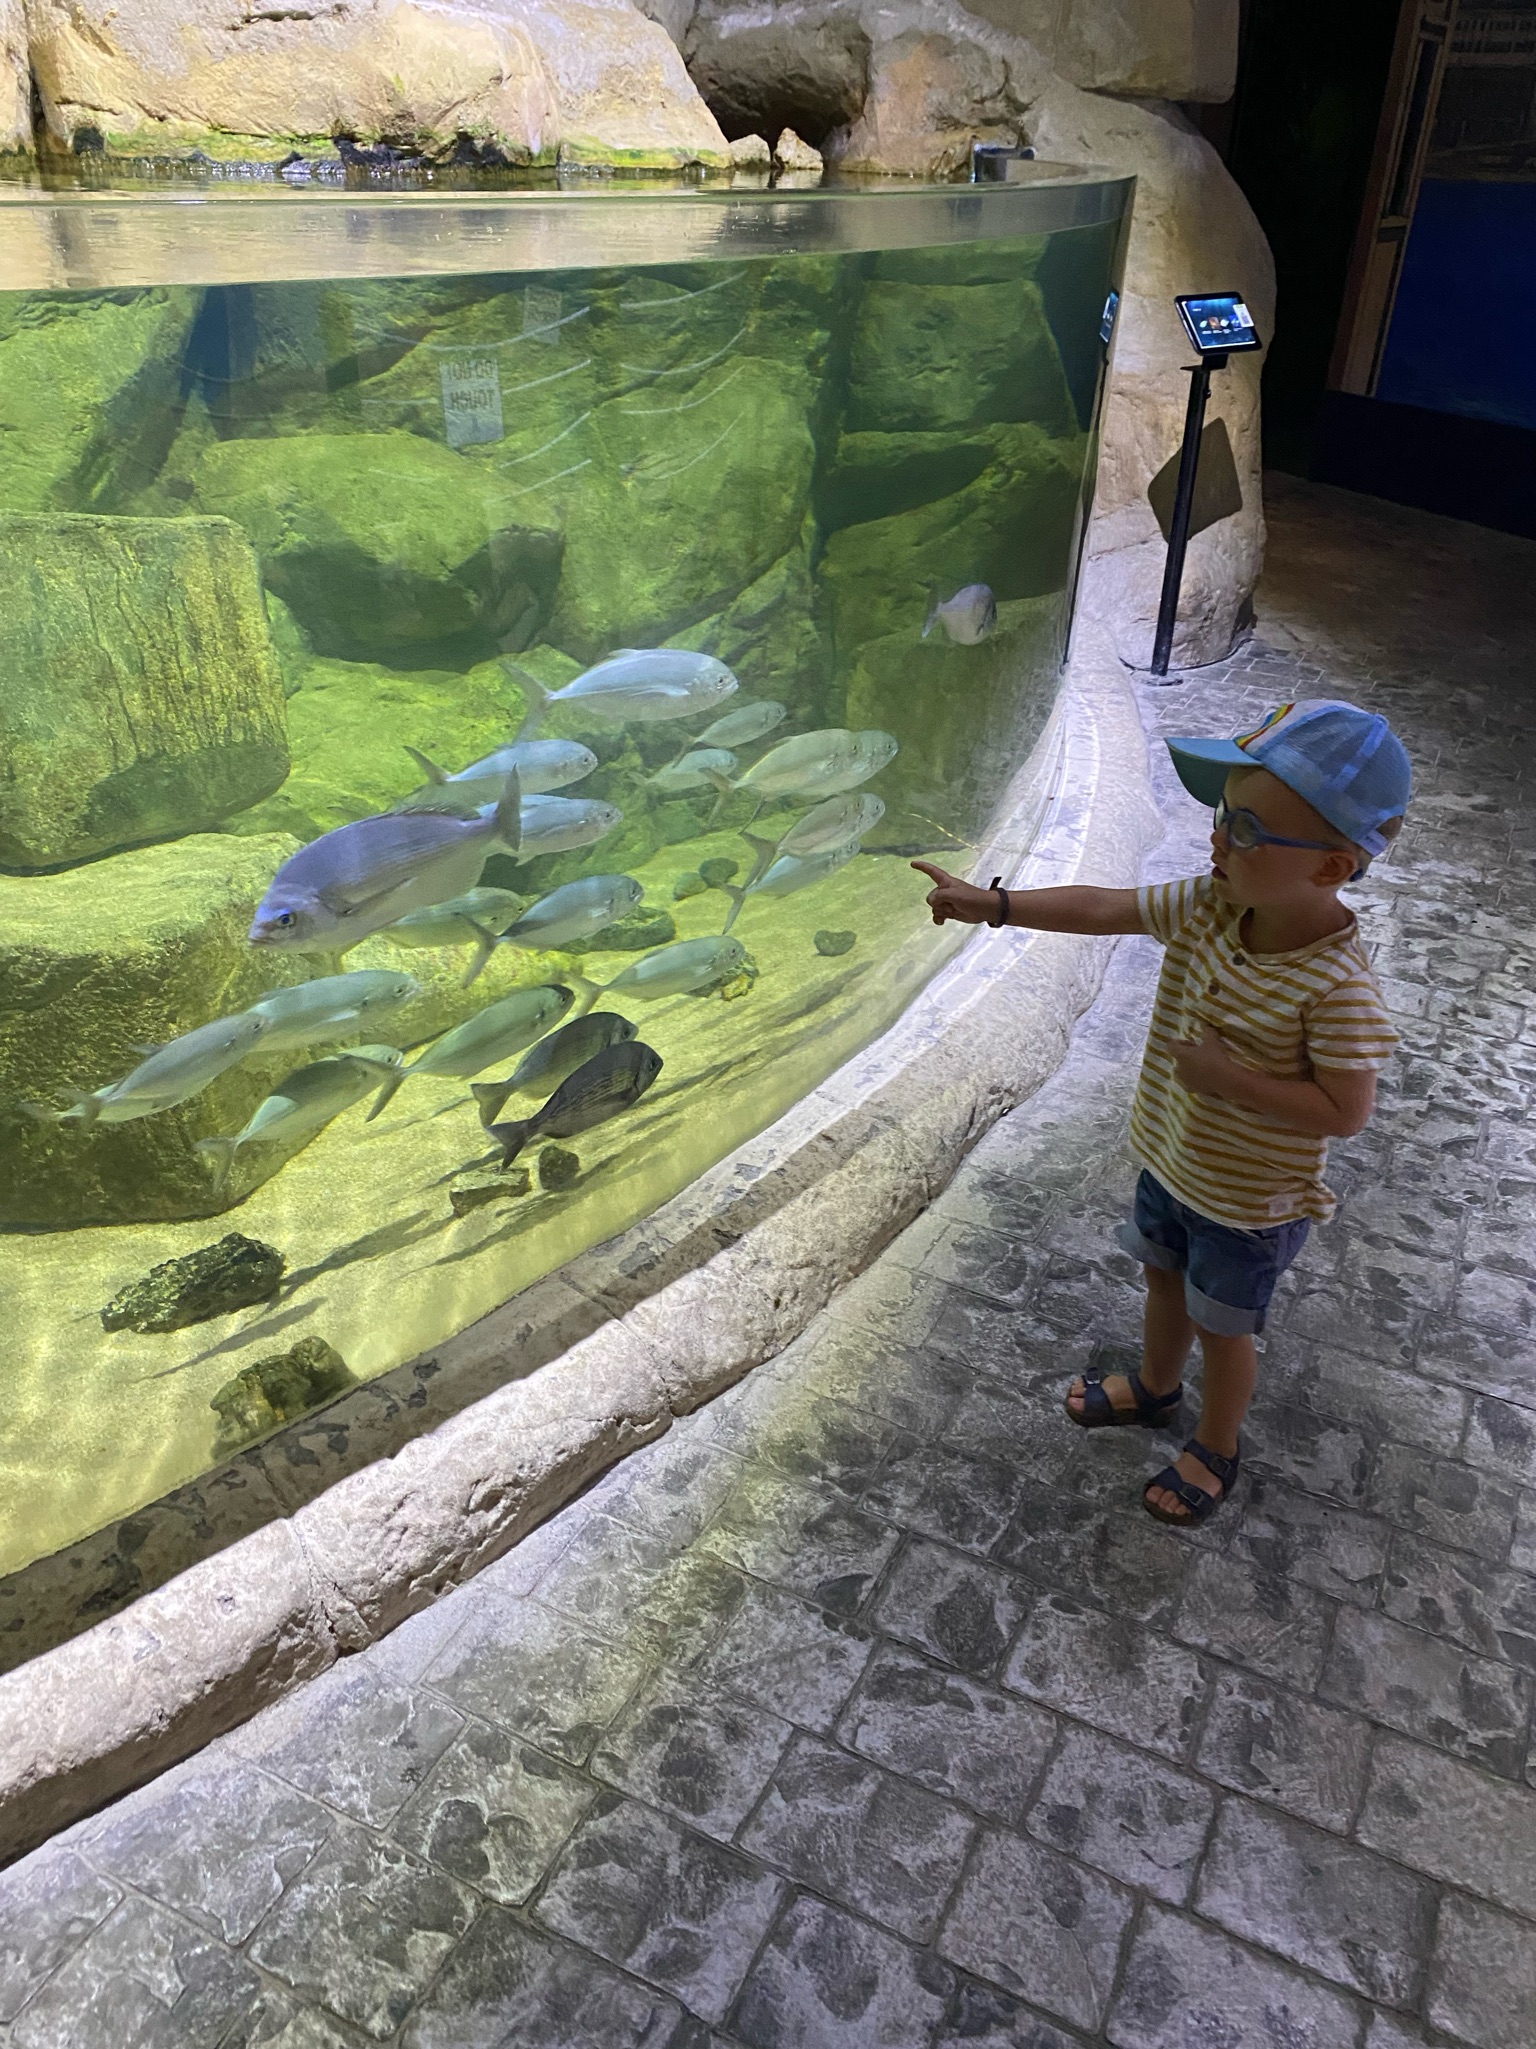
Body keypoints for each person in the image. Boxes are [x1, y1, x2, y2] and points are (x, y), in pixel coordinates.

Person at [913, 699, 1410, 1525]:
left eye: (1247, 830)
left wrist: (1224, 1076)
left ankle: (1216, 1445)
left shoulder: (1337, 988)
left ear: (1330, 866)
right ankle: (1155, 1387)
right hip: (1175, 1161)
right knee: (1162, 1279)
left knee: (1225, 1329)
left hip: (1248, 1204)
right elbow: (1106, 908)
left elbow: (1344, 1110)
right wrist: (995, 905)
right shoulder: (1211, 904)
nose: (1218, 841)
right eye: (1222, 815)